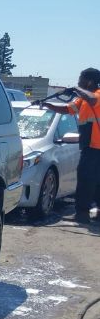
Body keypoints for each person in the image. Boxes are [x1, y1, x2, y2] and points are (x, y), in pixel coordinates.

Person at [41, 67, 100, 223]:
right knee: (92, 181)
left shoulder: (96, 96)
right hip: (89, 147)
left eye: (80, 80)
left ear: (89, 81)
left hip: (96, 149)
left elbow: (93, 99)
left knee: (86, 181)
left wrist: (77, 89)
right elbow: (68, 109)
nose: (78, 82)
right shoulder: (83, 100)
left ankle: (82, 214)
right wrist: (48, 105)